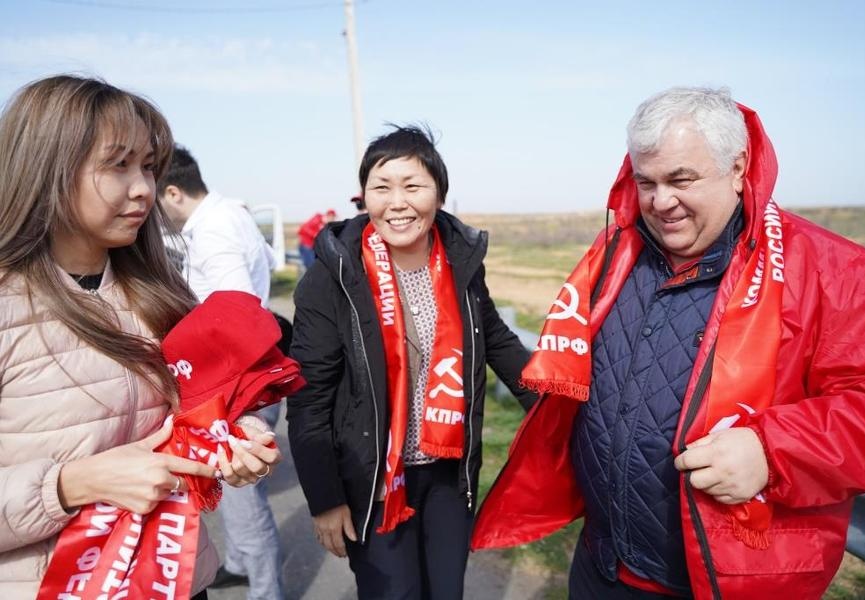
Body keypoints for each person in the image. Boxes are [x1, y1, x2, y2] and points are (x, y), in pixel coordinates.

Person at [471, 87, 865, 599]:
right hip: (601, 564)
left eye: (681, 180)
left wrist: (772, 451)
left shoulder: (834, 270)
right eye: (646, 182)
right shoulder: (614, 254)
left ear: (737, 168)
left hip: (728, 582)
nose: (660, 201)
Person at [0, 75, 279, 598]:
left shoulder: (163, 296)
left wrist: (238, 437)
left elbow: (205, 407)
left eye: (148, 166)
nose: (144, 188)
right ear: (46, 169)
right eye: (118, 165)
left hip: (175, 578)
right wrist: (69, 485)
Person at [287, 125, 538, 599]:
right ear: (363, 197)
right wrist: (325, 499)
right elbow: (309, 398)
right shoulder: (333, 277)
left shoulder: (460, 263)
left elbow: (498, 342)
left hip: (448, 471)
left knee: (446, 591)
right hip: (375, 478)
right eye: (381, 187)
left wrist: (553, 413)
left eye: (413, 186)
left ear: (439, 195)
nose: (397, 203)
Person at [157, 146, 285, 600]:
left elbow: (236, 314)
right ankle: (238, 564)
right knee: (231, 491)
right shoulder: (231, 213)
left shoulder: (212, 231)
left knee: (244, 497)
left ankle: (267, 591)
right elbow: (267, 264)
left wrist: (234, 403)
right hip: (241, 378)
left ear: (173, 193)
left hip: (235, 385)